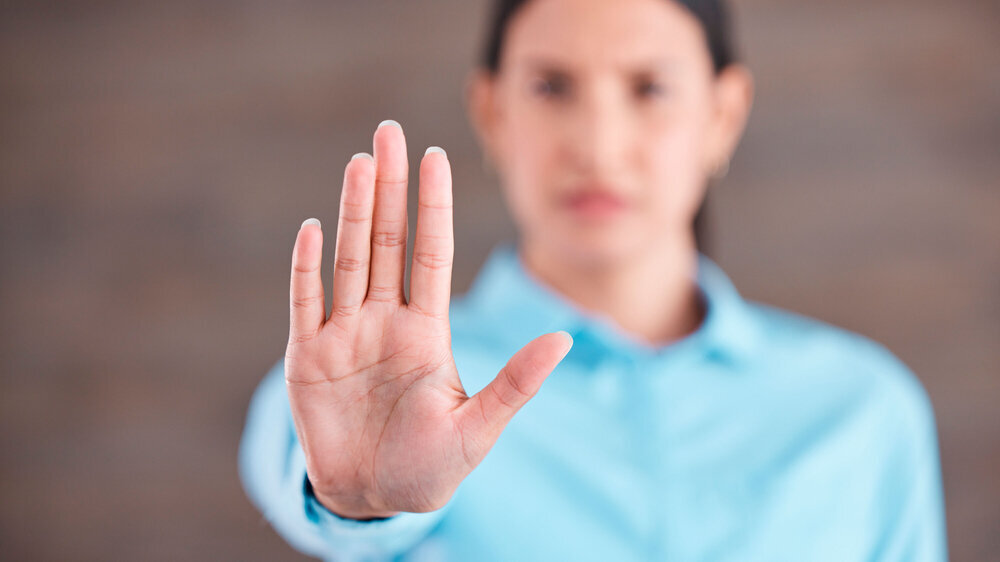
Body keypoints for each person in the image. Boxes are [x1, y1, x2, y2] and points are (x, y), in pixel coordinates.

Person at [238, 0, 947, 559]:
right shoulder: (377, 385)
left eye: (650, 88)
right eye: (551, 86)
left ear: (723, 114)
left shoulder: (862, 411)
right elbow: (306, 456)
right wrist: (360, 501)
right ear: (491, 110)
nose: (600, 144)